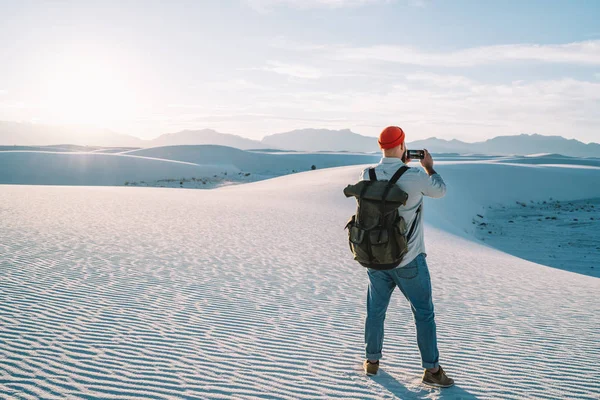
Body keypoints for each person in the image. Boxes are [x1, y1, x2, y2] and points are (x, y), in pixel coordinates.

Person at [360, 126, 454, 388]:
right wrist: (429, 167)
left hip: (375, 257)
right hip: (408, 259)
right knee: (424, 313)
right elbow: (440, 190)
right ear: (402, 146)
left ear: (381, 147)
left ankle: (372, 361)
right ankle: (432, 371)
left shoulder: (366, 173)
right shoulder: (414, 175)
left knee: (375, 311)